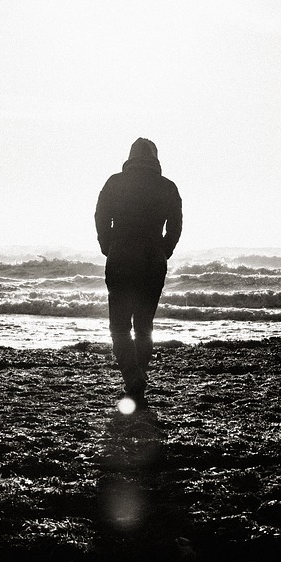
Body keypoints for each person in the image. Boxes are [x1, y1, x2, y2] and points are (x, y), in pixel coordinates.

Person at [94, 138, 182, 408]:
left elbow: (100, 217)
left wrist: (108, 245)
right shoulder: (167, 187)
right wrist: (163, 251)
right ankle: (137, 380)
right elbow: (175, 228)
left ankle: (133, 377)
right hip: (152, 262)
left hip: (120, 258)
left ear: (130, 156)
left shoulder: (115, 182)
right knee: (144, 327)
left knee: (119, 326)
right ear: (155, 157)